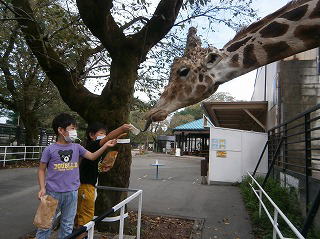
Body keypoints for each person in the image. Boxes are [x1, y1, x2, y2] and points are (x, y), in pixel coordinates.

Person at [36, 113, 117, 239]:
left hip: (72, 193)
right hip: (52, 194)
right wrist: (42, 188)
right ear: (61, 130)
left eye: (75, 128)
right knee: (44, 225)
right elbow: (41, 170)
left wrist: (106, 145)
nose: (75, 131)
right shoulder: (49, 149)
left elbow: (92, 156)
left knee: (67, 226)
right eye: (72, 128)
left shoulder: (77, 147)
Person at [75, 122, 131, 231]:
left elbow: (93, 166)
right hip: (85, 187)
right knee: (85, 218)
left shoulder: (95, 148)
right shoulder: (92, 145)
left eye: (105, 133)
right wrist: (122, 128)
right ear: (91, 135)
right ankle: (81, 235)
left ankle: (79, 234)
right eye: (101, 133)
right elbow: (108, 138)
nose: (104, 136)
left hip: (86, 186)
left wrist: (102, 167)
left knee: (81, 216)